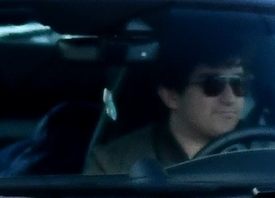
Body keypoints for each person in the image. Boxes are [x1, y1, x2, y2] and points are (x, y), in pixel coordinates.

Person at [86, 36, 253, 175]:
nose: (230, 98)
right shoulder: (114, 165)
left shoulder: (269, 151)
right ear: (171, 96)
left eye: (238, 83)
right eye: (213, 84)